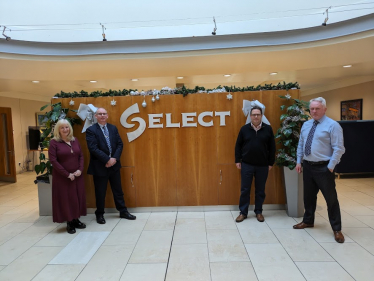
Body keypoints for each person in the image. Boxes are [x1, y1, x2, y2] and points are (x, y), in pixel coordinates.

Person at [294, 97, 345, 243]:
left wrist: (330, 166)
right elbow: (301, 144)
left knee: (331, 200)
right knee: (308, 197)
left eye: (317, 108)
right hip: (308, 166)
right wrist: (299, 161)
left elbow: (339, 148)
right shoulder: (306, 125)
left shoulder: (333, 125)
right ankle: (308, 221)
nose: (314, 111)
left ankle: (337, 229)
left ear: (324, 109)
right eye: (312, 109)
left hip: (324, 168)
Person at [86, 107, 136, 224]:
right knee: (100, 192)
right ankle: (100, 214)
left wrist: (114, 159)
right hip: (100, 166)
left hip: (114, 165)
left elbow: (120, 144)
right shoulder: (91, 130)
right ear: (96, 116)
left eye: (104, 114)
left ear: (107, 116)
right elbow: (93, 148)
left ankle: (123, 211)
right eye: (100, 114)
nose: (102, 116)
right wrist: (107, 159)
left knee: (118, 190)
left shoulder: (113, 128)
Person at [235, 106, 276, 223]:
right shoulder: (244, 129)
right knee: (245, 190)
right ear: (250, 116)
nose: (256, 117)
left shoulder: (268, 129)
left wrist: (270, 163)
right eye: (254, 115)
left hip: (263, 166)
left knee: (260, 190)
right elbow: (238, 146)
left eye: (258, 114)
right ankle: (243, 213)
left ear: (261, 116)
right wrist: (238, 160)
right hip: (247, 165)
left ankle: (259, 212)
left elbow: (272, 148)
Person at [49, 119, 87, 234]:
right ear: (58, 130)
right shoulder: (54, 142)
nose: (65, 129)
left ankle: (76, 219)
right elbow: (53, 161)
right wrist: (67, 174)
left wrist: (80, 170)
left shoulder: (75, 140)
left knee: (77, 197)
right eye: (62, 128)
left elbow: (81, 156)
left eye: (67, 127)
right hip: (62, 177)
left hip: (77, 176)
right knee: (66, 199)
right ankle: (69, 222)